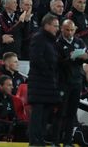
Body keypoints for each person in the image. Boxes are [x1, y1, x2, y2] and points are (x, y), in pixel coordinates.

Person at [52, 19, 88, 146]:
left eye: (72, 30)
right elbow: (57, 63)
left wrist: (86, 57)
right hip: (63, 82)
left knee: (72, 114)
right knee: (60, 113)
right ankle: (55, 142)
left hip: (77, 82)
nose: (69, 32)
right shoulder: (57, 43)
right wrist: (70, 58)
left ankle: (68, 141)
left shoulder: (79, 41)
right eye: (67, 30)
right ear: (62, 29)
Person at [27, 13, 61, 146]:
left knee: (44, 115)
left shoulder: (51, 40)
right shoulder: (39, 38)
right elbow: (36, 58)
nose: (57, 29)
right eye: (55, 26)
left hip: (48, 83)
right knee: (37, 114)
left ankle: (40, 140)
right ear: (46, 25)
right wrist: (48, 71)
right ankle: (34, 141)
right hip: (39, 82)